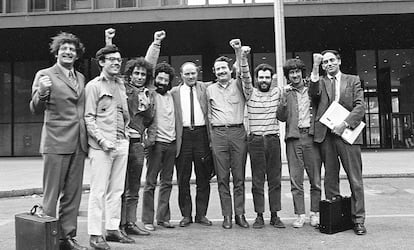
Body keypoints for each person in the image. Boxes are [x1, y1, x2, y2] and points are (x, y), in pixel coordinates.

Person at [104, 28, 166, 237]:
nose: (140, 76)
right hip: (121, 143)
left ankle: (130, 223)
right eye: (136, 73)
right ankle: (117, 225)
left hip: (138, 145)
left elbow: (151, 63)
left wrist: (148, 140)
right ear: (129, 75)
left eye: (143, 74)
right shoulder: (122, 87)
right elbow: (110, 65)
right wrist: (109, 41)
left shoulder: (149, 93)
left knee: (133, 188)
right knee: (118, 188)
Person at [29, 32, 88, 250]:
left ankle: (67, 238)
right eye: (64, 48)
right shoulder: (45, 74)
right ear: (57, 52)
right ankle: (48, 240)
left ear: (76, 54)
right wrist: (42, 92)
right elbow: (35, 108)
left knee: (73, 195)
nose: (68, 52)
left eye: (72, 49)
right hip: (56, 141)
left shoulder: (80, 78)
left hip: (78, 143)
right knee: (52, 195)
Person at [310, 50, 367, 235]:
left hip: (348, 135)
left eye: (332, 60)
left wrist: (345, 124)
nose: (329, 64)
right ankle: (334, 218)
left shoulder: (353, 80)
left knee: (355, 179)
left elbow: (360, 106)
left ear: (339, 61)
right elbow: (313, 94)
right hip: (327, 136)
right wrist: (315, 67)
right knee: (330, 178)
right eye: (325, 62)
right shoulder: (320, 81)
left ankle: (358, 220)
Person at [85, 43, 134, 249]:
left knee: (117, 190)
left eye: (118, 60)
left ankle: (113, 229)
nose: (116, 63)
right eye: (112, 60)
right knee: (98, 191)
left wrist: (128, 134)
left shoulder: (121, 84)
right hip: (101, 146)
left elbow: (123, 113)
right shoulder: (94, 86)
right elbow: (89, 118)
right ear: (101, 63)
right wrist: (102, 141)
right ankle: (95, 234)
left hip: (122, 142)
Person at [206, 39, 250, 229]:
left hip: (237, 132)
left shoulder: (239, 84)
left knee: (239, 177)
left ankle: (240, 214)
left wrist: (238, 52)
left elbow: (244, 73)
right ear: (214, 72)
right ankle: (227, 216)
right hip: (218, 135)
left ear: (230, 70)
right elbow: (208, 115)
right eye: (218, 69)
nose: (221, 71)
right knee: (222, 177)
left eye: (224, 68)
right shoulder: (209, 90)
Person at [277, 58, 322, 228]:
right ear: (288, 75)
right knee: (296, 180)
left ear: (302, 72)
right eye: (291, 73)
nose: (295, 75)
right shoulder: (286, 92)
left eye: (297, 72)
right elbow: (281, 117)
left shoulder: (311, 87)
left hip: (311, 137)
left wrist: (316, 66)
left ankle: (314, 213)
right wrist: (282, 98)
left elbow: (317, 92)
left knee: (315, 179)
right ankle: (300, 214)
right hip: (293, 139)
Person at [242, 60, 286, 229]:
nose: (264, 80)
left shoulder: (277, 93)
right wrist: (242, 56)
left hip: (273, 139)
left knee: (275, 180)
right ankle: (259, 215)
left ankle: (275, 215)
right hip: (256, 141)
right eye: (261, 77)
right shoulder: (250, 93)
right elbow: (244, 76)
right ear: (256, 79)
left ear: (271, 79)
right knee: (257, 180)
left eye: (267, 77)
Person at [171, 62, 214, 227]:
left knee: (203, 177)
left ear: (197, 74)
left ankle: (201, 214)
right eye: (187, 74)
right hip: (184, 136)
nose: (190, 77)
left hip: (201, 135)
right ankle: (186, 215)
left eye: (193, 73)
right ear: (181, 75)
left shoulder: (205, 88)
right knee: (183, 177)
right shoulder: (174, 92)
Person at [141, 62, 177, 231]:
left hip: (172, 143)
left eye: (165, 79)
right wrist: (157, 44)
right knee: (150, 183)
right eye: (159, 78)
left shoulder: (172, 96)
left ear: (170, 82)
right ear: (154, 79)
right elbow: (149, 63)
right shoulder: (151, 94)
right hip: (155, 144)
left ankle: (163, 218)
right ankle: (148, 220)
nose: (162, 82)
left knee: (167, 182)